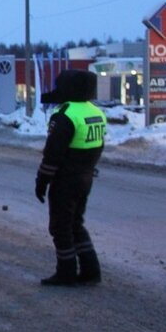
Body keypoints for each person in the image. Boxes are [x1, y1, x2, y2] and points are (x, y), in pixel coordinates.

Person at [34, 69, 107, 286]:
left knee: (60, 226)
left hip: (65, 180)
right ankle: (90, 269)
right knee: (76, 223)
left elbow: (53, 154)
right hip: (86, 177)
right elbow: (98, 146)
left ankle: (66, 272)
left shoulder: (65, 114)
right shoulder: (95, 112)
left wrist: (42, 181)